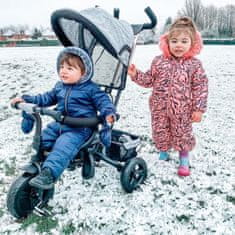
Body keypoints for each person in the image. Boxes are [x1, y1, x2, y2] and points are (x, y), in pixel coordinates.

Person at [11, 46, 116, 189]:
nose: (63, 71)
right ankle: (40, 163)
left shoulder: (91, 89)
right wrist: (27, 100)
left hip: (80, 128)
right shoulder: (60, 87)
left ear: (83, 72)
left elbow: (104, 102)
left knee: (63, 146)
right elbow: (45, 98)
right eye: (61, 67)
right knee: (41, 141)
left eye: (70, 68)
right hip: (59, 125)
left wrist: (108, 113)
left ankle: (49, 173)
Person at [128, 17, 208, 177]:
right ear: (167, 42)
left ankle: (184, 156)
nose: (179, 45)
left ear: (192, 43)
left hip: (183, 109)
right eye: (175, 41)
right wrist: (136, 74)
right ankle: (163, 150)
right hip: (159, 107)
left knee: (182, 133)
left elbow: (200, 87)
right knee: (160, 131)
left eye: (184, 41)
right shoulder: (159, 61)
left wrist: (198, 109)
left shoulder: (194, 65)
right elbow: (149, 79)